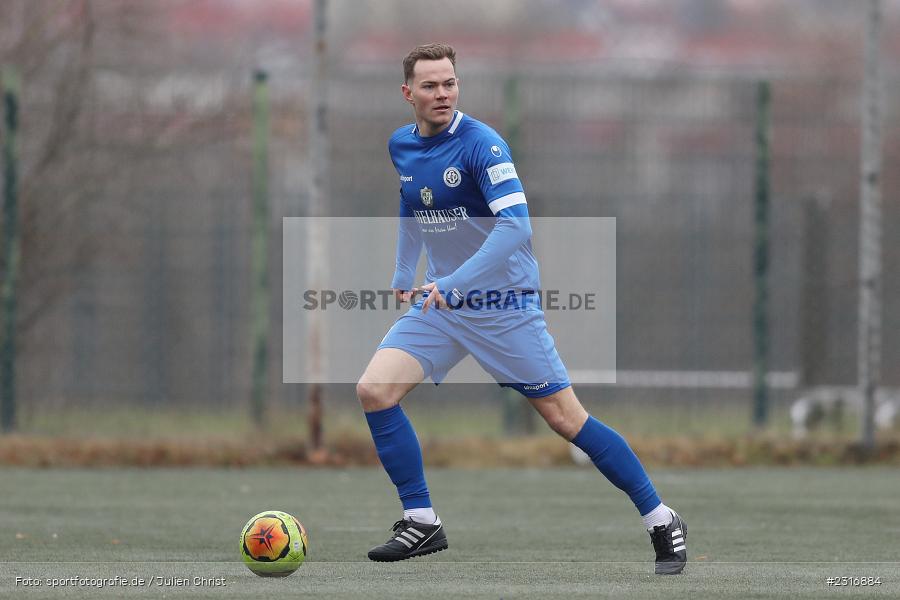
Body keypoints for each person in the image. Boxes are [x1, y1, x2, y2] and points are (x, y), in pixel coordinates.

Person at [357, 43, 687, 575]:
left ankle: (661, 518)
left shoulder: (482, 146)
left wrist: (456, 281)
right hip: (444, 307)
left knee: (566, 419)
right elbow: (409, 202)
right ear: (407, 93)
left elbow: (517, 228)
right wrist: (403, 273)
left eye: (450, 83)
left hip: (503, 306)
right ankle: (421, 521)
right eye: (430, 85)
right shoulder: (402, 145)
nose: (442, 94)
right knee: (375, 390)